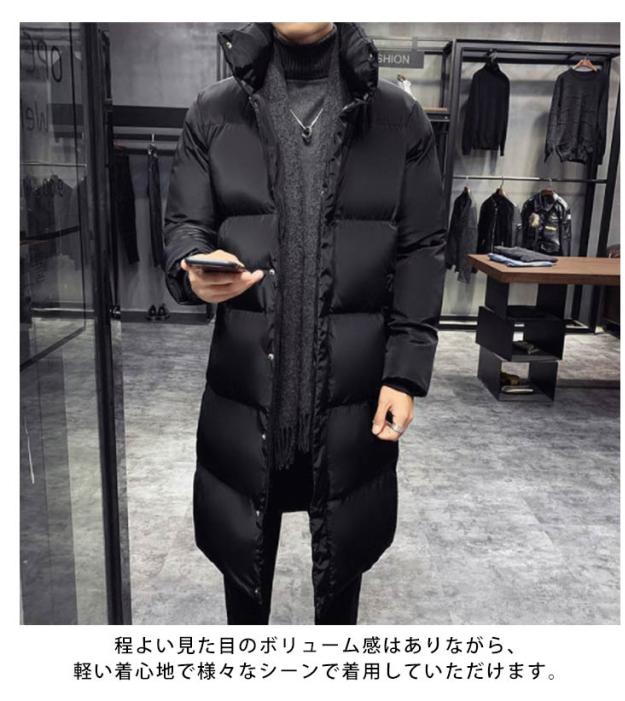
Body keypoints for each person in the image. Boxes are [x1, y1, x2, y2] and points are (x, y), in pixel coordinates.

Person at [163, 21, 447, 625]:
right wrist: (191, 266)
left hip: (350, 402)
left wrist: (404, 373)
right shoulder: (213, 112)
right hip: (246, 398)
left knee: (341, 584)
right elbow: (185, 225)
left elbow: (422, 251)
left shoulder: (399, 119)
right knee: (244, 592)